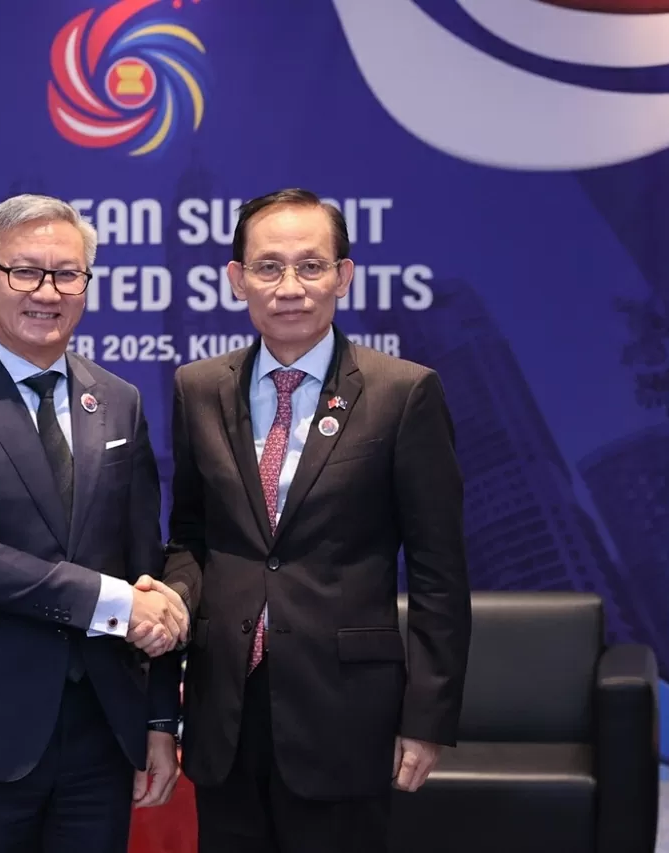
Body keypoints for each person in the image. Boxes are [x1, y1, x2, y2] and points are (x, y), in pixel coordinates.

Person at [153, 188, 471, 852]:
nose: (289, 286)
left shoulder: (403, 393)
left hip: (345, 709)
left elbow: (440, 572)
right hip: (225, 707)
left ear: (343, 276)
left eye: (311, 265)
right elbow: (189, 536)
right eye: (268, 267)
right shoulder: (196, 389)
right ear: (237, 279)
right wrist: (175, 602)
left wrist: (428, 716)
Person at [0, 194, 189, 853]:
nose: (46, 292)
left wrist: (162, 721)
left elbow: (148, 563)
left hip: (100, 729)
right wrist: (115, 603)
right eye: (25, 271)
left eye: (67, 273)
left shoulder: (119, 401)